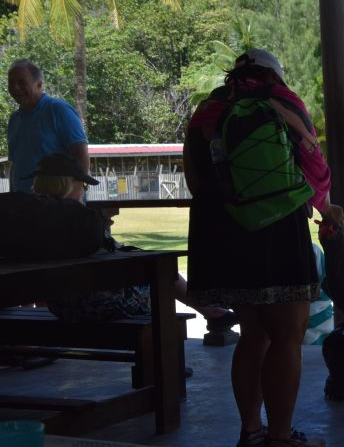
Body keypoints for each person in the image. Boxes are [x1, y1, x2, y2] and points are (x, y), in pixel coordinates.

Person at [183, 49, 344, 447]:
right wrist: (325, 210)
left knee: (253, 335)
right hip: (277, 230)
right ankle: (281, 436)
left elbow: (194, 177)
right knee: (288, 337)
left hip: (223, 233)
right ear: (274, 74)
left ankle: (251, 431)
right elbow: (313, 164)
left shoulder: (208, 109)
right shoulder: (281, 101)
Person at [26, 153, 236, 332]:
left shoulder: (27, 219)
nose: (83, 192)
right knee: (160, 277)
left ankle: (209, 311)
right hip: (91, 304)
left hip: (60, 305)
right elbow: (112, 256)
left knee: (156, 276)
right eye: (81, 186)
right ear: (68, 185)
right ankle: (167, 358)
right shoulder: (78, 219)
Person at [7, 59, 88, 194]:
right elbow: (15, 163)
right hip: (23, 204)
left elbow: (80, 153)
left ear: (39, 84)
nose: (15, 87)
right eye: (11, 83)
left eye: (22, 82)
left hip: (56, 203)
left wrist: (75, 195)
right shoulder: (14, 119)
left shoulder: (58, 110)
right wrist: (12, 195)